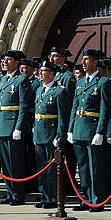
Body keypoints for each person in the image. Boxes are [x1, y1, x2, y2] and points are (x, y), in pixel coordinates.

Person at [68, 49, 111, 211]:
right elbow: (75, 106)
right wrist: (71, 129)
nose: (84, 63)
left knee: (95, 167)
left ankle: (97, 199)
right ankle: (85, 198)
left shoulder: (103, 82)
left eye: (87, 59)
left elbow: (105, 109)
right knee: (84, 168)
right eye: (83, 59)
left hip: (93, 130)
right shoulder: (80, 83)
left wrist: (101, 131)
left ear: (95, 62)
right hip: (79, 129)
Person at [0, 50, 33, 205]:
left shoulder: (22, 80)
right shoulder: (2, 80)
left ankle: (18, 194)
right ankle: (10, 192)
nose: (5, 62)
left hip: (13, 125)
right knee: (5, 164)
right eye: (4, 60)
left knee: (15, 163)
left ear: (16, 63)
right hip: (2, 125)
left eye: (8, 60)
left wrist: (19, 127)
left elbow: (24, 106)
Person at [33, 61, 72, 209]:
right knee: (41, 168)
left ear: (51, 74)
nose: (40, 73)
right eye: (40, 71)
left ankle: (54, 197)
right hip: (39, 133)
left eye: (44, 71)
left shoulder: (59, 91)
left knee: (51, 169)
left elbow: (63, 116)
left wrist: (60, 135)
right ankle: (44, 196)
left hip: (51, 134)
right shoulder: (39, 90)